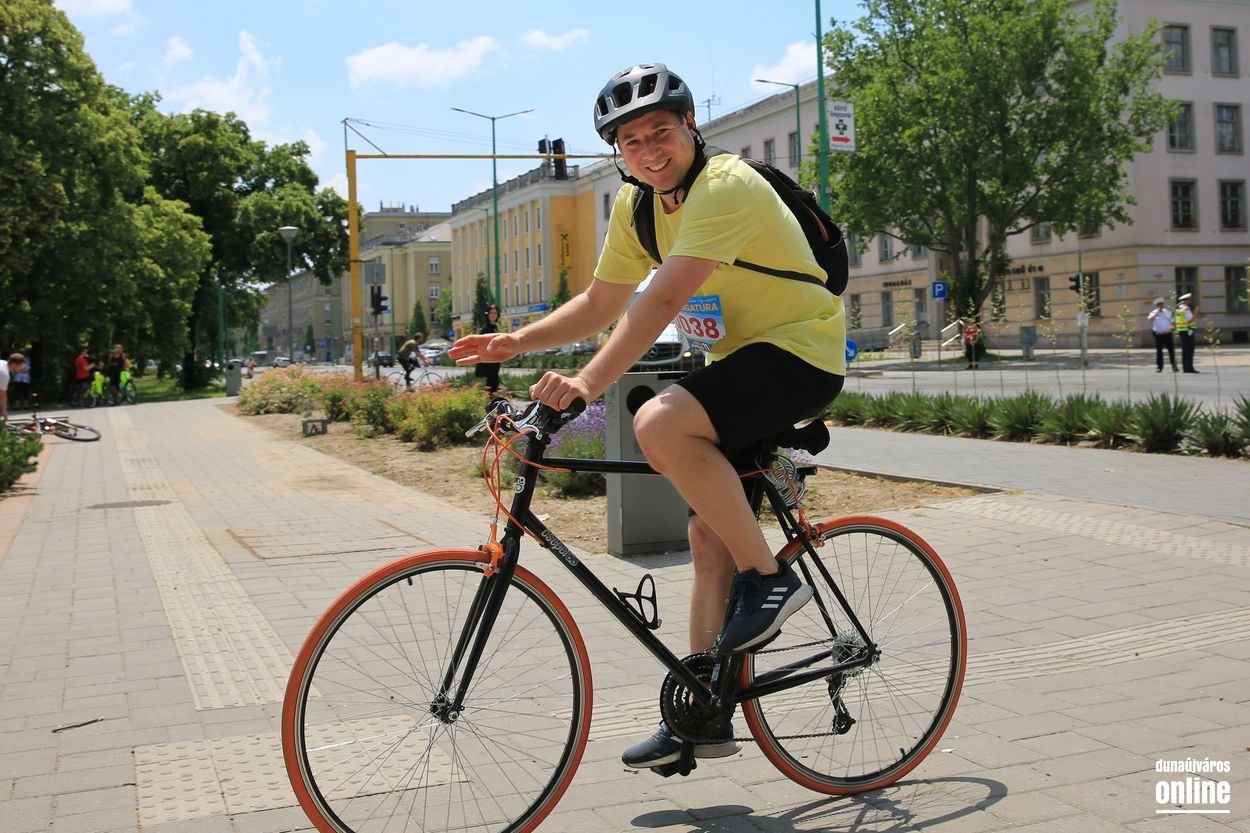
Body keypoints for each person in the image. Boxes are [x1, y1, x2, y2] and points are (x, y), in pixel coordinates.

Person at [449, 62, 846, 770]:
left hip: (801, 353)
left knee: (660, 423)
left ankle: (772, 580)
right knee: (707, 535)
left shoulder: (726, 185)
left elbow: (659, 302)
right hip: (743, 361)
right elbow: (602, 301)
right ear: (618, 153)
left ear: (690, 125)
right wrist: (516, 341)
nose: (648, 150)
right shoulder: (637, 207)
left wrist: (585, 384)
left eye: (660, 131)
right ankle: (701, 714)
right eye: (630, 141)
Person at [473, 305, 502, 394]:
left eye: (495, 313)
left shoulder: (496, 327)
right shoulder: (485, 328)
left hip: (496, 358)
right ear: (487, 314)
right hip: (488, 359)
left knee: (494, 381)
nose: (493, 315)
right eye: (491, 313)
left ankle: (492, 397)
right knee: (490, 382)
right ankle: (489, 399)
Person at [1147, 297, 1178, 373]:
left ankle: (1174, 366)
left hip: (1167, 333)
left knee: (1171, 350)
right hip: (1158, 334)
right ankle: (1159, 367)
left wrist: (1175, 327)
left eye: (1162, 304)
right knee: (1159, 351)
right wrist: (1156, 313)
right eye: (1159, 304)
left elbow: (1172, 321)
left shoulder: (1167, 312)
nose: (1161, 306)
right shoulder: (1153, 312)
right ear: (1157, 305)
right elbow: (1150, 319)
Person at [1, 353, 28, 424]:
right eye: (21, 365)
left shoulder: (2, 362)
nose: (22, 368)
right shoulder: (4, 374)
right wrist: (4, 411)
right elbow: (2, 395)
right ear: (14, 364)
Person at [1176, 293, 1199, 373]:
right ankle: (1189, 368)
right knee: (1189, 350)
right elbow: (1190, 320)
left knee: (1185, 350)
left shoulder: (1179, 309)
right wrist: (1195, 313)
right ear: (1185, 301)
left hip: (1182, 330)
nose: (1190, 301)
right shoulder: (1185, 309)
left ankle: (1185, 367)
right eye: (1189, 299)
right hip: (1188, 331)